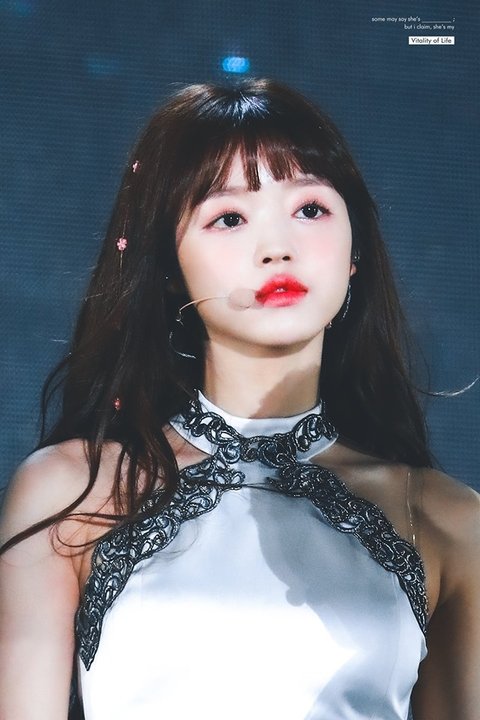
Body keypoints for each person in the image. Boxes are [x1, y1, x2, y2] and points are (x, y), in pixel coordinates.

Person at [0, 79, 478, 720]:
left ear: (355, 252)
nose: (277, 247)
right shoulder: (71, 494)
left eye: (310, 209)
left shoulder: (444, 520)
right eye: (228, 218)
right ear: (169, 269)